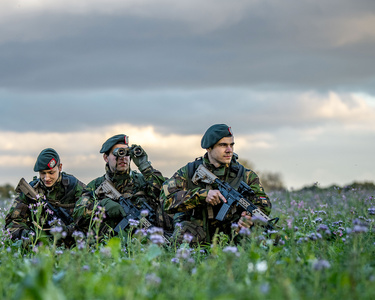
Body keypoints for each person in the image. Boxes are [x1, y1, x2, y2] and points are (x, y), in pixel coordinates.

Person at [160, 124, 272, 244]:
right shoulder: (189, 172)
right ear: (209, 148)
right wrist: (202, 195)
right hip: (195, 239)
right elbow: (166, 199)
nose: (229, 150)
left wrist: (248, 217)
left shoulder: (246, 175)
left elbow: (264, 204)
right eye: (223, 145)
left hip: (231, 239)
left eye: (231, 145)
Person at [73, 134, 172, 240]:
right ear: (106, 158)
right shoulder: (96, 185)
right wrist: (101, 206)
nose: (123, 158)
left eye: (126, 153)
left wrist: (145, 167)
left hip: (144, 242)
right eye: (118, 153)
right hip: (109, 244)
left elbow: (168, 196)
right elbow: (78, 214)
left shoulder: (144, 181)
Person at [4, 148, 86, 248]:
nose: (47, 178)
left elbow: (88, 221)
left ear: (60, 167)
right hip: (38, 247)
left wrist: (68, 230)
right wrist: (31, 237)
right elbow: (13, 223)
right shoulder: (31, 190)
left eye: (51, 173)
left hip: (72, 246)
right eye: (43, 173)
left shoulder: (74, 186)